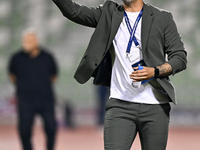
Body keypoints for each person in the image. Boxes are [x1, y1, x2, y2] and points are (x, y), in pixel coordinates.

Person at [52, 0, 187, 149]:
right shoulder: (109, 13)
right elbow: (73, 11)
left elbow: (179, 58)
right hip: (120, 105)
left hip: (155, 106)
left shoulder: (162, 18)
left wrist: (154, 71)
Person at [8, 28, 58, 150]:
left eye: (30, 40)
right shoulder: (16, 58)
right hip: (26, 99)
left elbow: (54, 75)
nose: (27, 42)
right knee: (24, 130)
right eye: (25, 40)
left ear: (36, 41)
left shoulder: (47, 56)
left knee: (51, 127)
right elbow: (12, 75)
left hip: (46, 98)